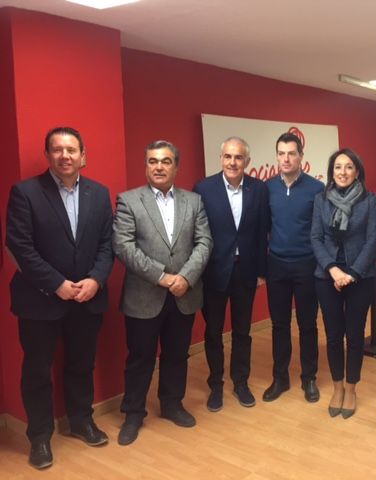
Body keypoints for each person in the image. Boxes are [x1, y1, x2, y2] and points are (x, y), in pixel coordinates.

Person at [6, 127, 114, 469]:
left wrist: (96, 280)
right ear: (48, 155)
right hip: (40, 300)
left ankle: (81, 421)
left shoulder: (99, 193)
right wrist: (57, 284)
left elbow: (107, 245)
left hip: (87, 298)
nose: (65, 156)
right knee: (37, 371)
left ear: (83, 156)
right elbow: (19, 246)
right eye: (57, 149)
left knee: (82, 364)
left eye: (71, 150)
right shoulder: (26, 192)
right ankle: (39, 437)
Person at [112, 140, 212, 446]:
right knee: (140, 357)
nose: (159, 167)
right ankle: (133, 414)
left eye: (166, 161)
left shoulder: (193, 201)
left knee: (177, 354)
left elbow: (204, 242)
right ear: (146, 166)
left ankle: (171, 404)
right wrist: (163, 277)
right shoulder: (129, 201)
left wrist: (185, 277)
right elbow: (124, 246)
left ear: (176, 167)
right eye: (153, 161)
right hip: (144, 296)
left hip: (184, 294)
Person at [193, 137, 268, 411]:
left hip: (245, 271)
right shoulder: (203, 188)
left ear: (247, 161)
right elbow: (197, 233)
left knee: (242, 331)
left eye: (238, 157)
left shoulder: (258, 189)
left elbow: (262, 232)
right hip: (213, 272)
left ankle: (241, 382)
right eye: (228, 156)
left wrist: (262, 271)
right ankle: (216, 384)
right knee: (213, 332)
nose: (232, 162)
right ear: (221, 158)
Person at [310, 148, 376, 418]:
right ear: (332, 171)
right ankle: (337, 387)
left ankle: (351, 388)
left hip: (360, 277)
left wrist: (353, 273)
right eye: (338, 167)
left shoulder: (369, 201)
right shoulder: (321, 199)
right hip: (327, 276)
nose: (343, 172)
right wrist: (333, 269)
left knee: (355, 335)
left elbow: (372, 240)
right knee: (333, 335)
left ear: (357, 171)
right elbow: (316, 238)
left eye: (349, 167)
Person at [263, 133, 324, 403]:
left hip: (306, 265)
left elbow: (321, 231)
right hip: (276, 265)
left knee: (307, 324)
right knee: (279, 325)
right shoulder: (267, 188)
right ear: (277, 156)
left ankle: (309, 378)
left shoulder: (316, 189)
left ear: (301, 156)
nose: (286, 158)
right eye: (281, 153)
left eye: (291, 153)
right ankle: (280, 378)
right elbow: (263, 227)